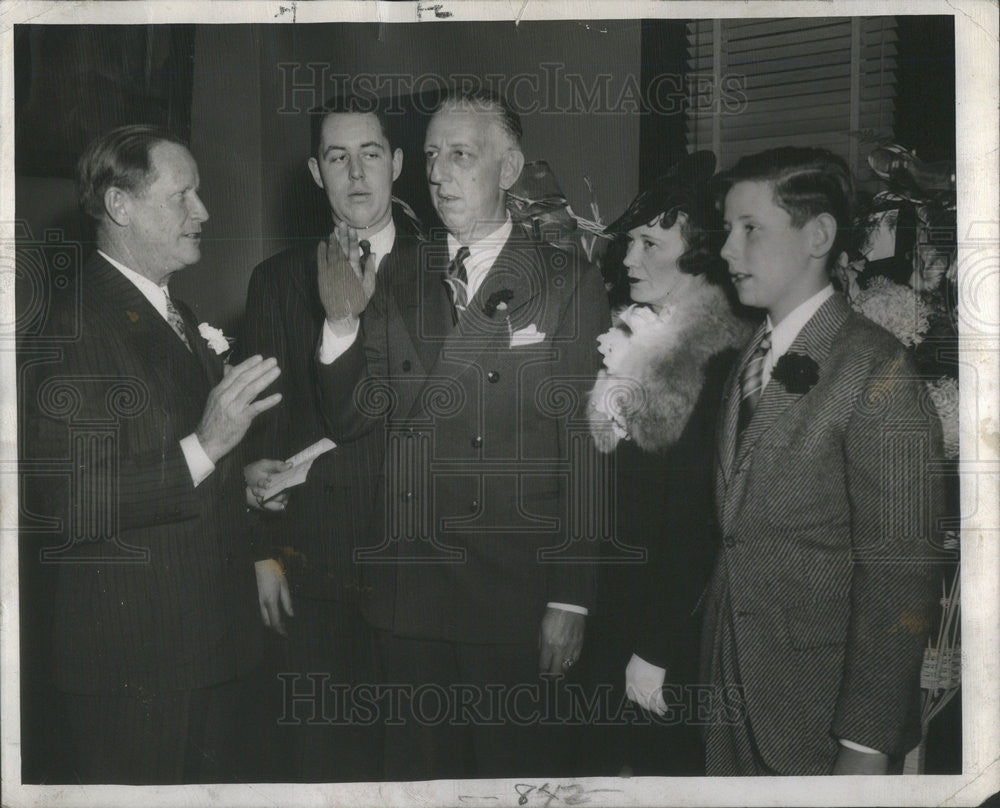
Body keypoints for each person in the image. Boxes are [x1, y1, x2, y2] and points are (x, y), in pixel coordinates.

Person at [314, 89, 611, 779]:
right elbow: (350, 415)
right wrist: (339, 327)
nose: (439, 174)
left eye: (461, 156)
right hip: (408, 595)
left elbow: (587, 447)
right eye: (431, 157)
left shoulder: (565, 280)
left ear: (508, 169)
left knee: (510, 780)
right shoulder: (397, 275)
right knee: (415, 783)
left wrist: (572, 596)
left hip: (512, 594)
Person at [19, 125, 283, 783]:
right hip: (137, 669)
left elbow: (167, 460)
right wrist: (209, 444)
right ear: (119, 205)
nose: (204, 211)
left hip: (209, 650)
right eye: (183, 195)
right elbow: (69, 500)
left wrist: (237, 479)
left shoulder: (177, 314)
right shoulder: (74, 323)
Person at [701, 146, 944, 775]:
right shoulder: (749, 355)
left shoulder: (876, 370)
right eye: (728, 229)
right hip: (729, 698)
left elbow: (899, 575)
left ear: (819, 235)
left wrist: (865, 746)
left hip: (817, 715)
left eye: (750, 229)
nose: (728, 250)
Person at [238, 95, 420, 781]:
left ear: (396, 163)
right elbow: (259, 431)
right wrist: (262, 554)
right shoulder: (278, 282)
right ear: (316, 172)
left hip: (418, 562)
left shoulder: (440, 275)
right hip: (314, 566)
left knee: (410, 766)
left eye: (370, 153)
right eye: (337, 157)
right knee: (316, 761)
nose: (356, 173)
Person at [582, 151, 752, 776]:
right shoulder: (629, 336)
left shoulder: (722, 362)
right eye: (629, 242)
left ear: (700, 250)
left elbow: (702, 524)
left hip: (666, 633)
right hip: (605, 615)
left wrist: (654, 649)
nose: (628, 259)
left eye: (649, 242)